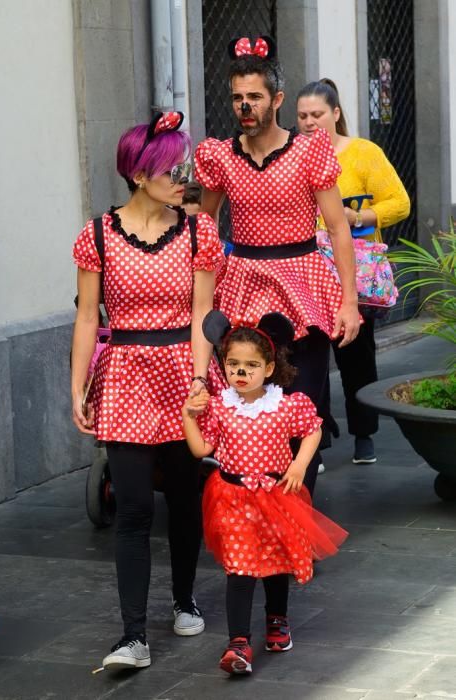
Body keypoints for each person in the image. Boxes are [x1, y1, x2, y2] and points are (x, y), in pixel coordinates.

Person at [71, 112, 225, 671]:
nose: (183, 177)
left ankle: (185, 599)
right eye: (171, 169)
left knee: (184, 498)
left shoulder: (197, 231)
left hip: (184, 370)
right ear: (139, 174)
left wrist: (202, 378)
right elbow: (88, 318)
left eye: (184, 167)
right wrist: (78, 385)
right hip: (125, 375)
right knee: (134, 507)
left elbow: (203, 311)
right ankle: (133, 635)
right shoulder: (96, 236)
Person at [194, 36, 360, 497]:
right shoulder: (220, 155)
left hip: (302, 286)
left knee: (301, 406)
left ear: (277, 99)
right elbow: (206, 225)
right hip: (243, 283)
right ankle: (253, 519)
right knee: (246, 407)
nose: (245, 106)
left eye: (255, 96)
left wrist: (349, 301)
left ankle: (295, 525)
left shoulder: (309, 151)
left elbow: (338, 228)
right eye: (237, 98)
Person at [182, 310, 348, 675]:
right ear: (223, 365)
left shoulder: (286, 405)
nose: (241, 373)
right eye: (233, 364)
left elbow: (313, 429)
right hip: (233, 499)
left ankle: (277, 620)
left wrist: (299, 465)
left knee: (275, 564)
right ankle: (238, 643)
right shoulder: (221, 405)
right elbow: (201, 450)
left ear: (269, 368)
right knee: (239, 570)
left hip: (276, 497)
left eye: (251, 365)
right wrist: (188, 417)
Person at [297, 78, 410, 464]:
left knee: (355, 353)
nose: (310, 122)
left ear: (336, 114)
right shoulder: (291, 154)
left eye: (318, 114)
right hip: (306, 271)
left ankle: (365, 434)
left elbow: (400, 202)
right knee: (308, 357)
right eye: (303, 116)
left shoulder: (363, 153)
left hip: (354, 272)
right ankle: (318, 438)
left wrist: (356, 215)